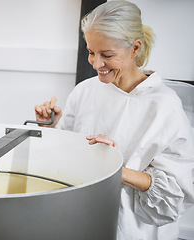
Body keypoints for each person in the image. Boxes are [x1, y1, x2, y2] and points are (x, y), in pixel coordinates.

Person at [34, 1, 194, 239]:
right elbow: (65, 158)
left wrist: (114, 167)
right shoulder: (85, 90)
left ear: (135, 48)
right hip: (79, 220)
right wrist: (52, 126)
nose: (96, 64)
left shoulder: (164, 106)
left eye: (107, 55)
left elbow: (174, 198)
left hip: (132, 230)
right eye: (90, 52)